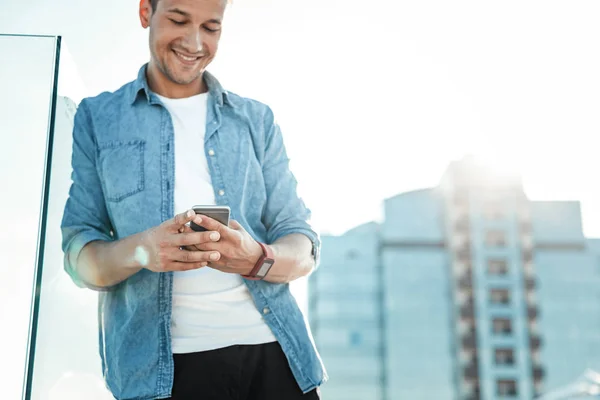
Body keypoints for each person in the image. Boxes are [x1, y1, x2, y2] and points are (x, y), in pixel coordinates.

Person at [60, 0, 326, 398]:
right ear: (145, 13)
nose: (194, 42)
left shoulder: (256, 120)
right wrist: (143, 251)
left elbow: (302, 243)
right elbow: (79, 255)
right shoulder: (98, 118)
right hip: (161, 373)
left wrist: (257, 257)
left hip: (277, 358)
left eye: (211, 27)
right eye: (179, 20)